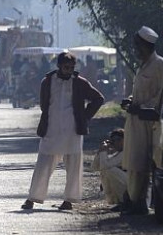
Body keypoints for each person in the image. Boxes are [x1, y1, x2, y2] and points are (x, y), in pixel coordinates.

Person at [21, 51, 105, 211]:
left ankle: (69, 200)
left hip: (73, 130)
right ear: (59, 66)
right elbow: (44, 104)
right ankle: (32, 198)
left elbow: (98, 98)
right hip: (51, 129)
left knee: (73, 165)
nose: (69, 70)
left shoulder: (80, 82)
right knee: (43, 163)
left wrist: (85, 117)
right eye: (66, 67)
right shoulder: (47, 82)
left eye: (72, 67)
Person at [120, 26, 163, 215]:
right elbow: (141, 93)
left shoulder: (160, 65)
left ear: (145, 45)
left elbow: (162, 96)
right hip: (136, 121)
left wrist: (141, 107)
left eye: (137, 46)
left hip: (151, 121)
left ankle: (140, 202)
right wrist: (131, 101)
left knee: (146, 163)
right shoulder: (143, 65)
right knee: (134, 162)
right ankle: (135, 200)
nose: (135, 50)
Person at [92, 128, 127, 211]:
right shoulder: (118, 153)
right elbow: (95, 167)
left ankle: (125, 202)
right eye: (114, 140)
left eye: (119, 140)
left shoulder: (126, 153)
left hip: (133, 185)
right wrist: (100, 151)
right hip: (127, 182)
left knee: (109, 170)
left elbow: (105, 166)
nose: (117, 142)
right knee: (106, 171)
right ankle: (119, 202)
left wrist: (104, 152)